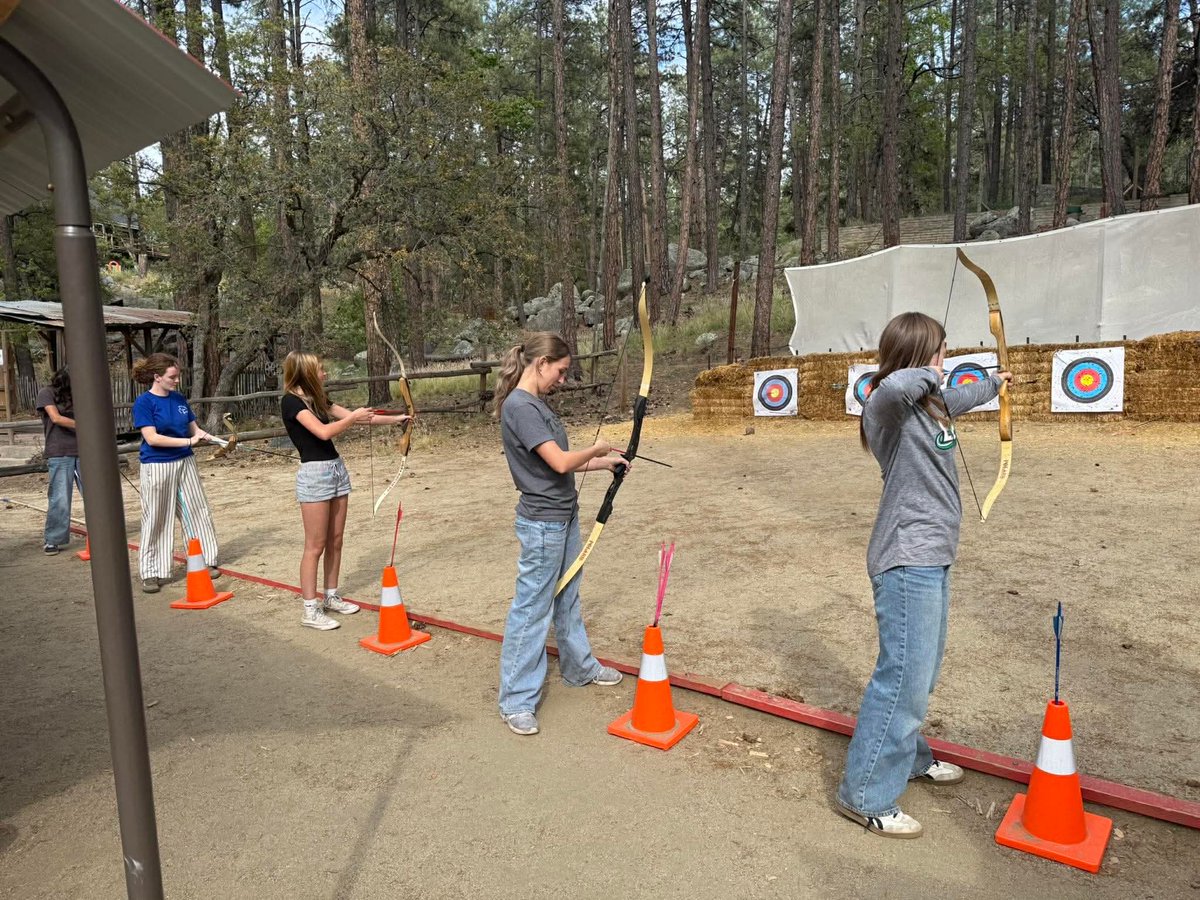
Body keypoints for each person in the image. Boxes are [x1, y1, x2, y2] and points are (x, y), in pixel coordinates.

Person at [836, 312, 1012, 839]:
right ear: (920, 355)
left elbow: (963, 396)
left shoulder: (930, 405)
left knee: (923, 671)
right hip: (906, 554)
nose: (945, 361)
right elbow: (894, 382)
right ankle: (864, 793)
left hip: (932, 553)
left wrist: (995, 383)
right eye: (940, 351)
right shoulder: (886, 405)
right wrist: (931, 367)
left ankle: (910, 756)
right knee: (903, 677)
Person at [492, 333, 628, 736]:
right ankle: (516, 700)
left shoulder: (536, 405)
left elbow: (556, 468)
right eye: (561, 371)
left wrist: (607, 463)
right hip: (542, 524)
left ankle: (579, 667)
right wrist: (597, 447)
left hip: (562, 517)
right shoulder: (520, 407)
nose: (563, 380)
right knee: (532, 608)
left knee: (567, 595)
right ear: (541, 363)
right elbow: (561, 459)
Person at [281, 350, 409, 631]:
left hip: (336, 470)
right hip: (315, 475)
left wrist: (399, 418)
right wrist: (353, 418)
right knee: (315, 545)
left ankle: (330, 595)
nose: (325, 373)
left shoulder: (317, 399)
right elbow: (324, 432)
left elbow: (358, 418)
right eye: (321, 369)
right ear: (306, 373)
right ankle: (310, 609)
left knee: (336, 539)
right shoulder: (291, 402)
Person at [131, 353, 223, 594]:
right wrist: (188, 442)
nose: (177, 380)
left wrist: (214, 439)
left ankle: (204, 560)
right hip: (157, 465)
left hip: (186, 462)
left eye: (178, 375)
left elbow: (195, 429)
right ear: (157, 377)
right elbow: (152, 438)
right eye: (173, 376)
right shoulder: (144, 403)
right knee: (157, 517)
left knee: (197, 509)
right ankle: (152, 571)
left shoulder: (179, 399)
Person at [36, 367, 81, 554]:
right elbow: (55, 418)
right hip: (60, 450)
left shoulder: (81, 393)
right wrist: (88, 425)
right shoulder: (46, 393)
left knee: (96, 495)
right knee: (60, 498)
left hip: (86, 450)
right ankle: (53, 539)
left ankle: (102, 534)